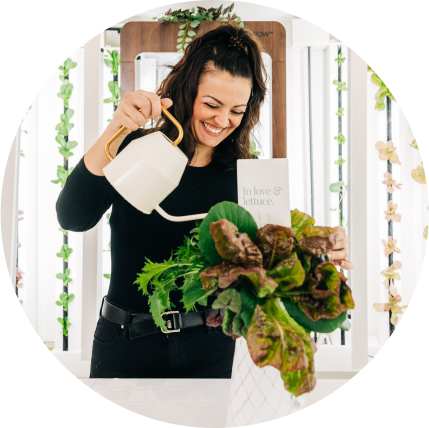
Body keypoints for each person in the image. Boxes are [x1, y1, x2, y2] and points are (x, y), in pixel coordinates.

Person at [56, 23, 353, 379]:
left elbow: (273, 262)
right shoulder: (136, 150)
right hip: (126, 344)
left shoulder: (246, 175)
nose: (222, 120)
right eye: (212, 104)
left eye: (236, 110)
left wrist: (318, 252)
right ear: (186, 90)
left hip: (212, 346)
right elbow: (73, 217)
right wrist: (116, 129)